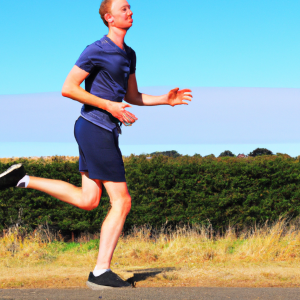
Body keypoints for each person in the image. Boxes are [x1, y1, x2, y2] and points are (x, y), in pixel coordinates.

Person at [0, 0, 192, 290]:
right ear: (109, 18)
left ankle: (22, 179)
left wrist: (165, 100)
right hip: (95, 127)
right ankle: (101, 273)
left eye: (130, 8)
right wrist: (109, 106)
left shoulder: (129, 54)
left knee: (88, 200)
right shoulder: (96, 49)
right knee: (122, 201)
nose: (130, 12)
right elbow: (68, 88)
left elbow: (133, 95)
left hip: (100, 129)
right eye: (124, 8)